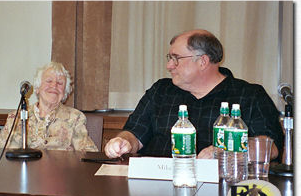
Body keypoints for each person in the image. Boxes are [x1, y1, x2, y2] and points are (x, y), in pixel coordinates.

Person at [104, 29, 283, 162]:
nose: (169, 66)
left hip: (223, 194)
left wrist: (228, 151)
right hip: (157, 190)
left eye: (176, 58)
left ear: (203, 61)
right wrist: (123, 141)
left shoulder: (250, 95)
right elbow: (135, 133)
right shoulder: (160, 90)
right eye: (169, 58)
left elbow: (270, 147)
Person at [0, 61, 98, 196]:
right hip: (10, 189)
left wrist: (70, 161)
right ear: (38, 87)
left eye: (60, 83)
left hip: (56, 193)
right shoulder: (16, 117)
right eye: (49, 81)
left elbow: (91, 157)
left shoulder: (74, 118)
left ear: (66, 92)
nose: (54, 86)